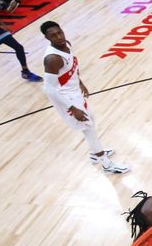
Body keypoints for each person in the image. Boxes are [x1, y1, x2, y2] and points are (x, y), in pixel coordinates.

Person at [40, 20, 129, 172]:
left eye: (60, 32)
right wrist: (72, 108)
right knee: (88, 127)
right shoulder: (53, 59)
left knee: (91, 121)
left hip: (74, 91)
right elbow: (48, 89)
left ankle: (96, 153)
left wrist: (80, 82)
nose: (59, 37)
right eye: (53, 36)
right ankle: (105, 163)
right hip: (65, 98)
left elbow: (70, 68)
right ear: (47, 38)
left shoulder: (66, 45)